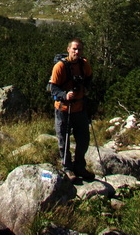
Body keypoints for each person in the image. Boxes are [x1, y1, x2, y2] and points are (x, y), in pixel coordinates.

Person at [49, 38, 94, 181]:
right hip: (63, 109)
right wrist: (64, 95)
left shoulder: (84, 64)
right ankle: (67, 168)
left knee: (83, 140)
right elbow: (52, 88)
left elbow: (89, 78)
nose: (77, 52)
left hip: (80, 108)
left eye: (79, 49)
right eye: (74, 49)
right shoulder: (60, 67)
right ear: (68, 49)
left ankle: (79, 167)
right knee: (64, 140)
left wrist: (86, 88)